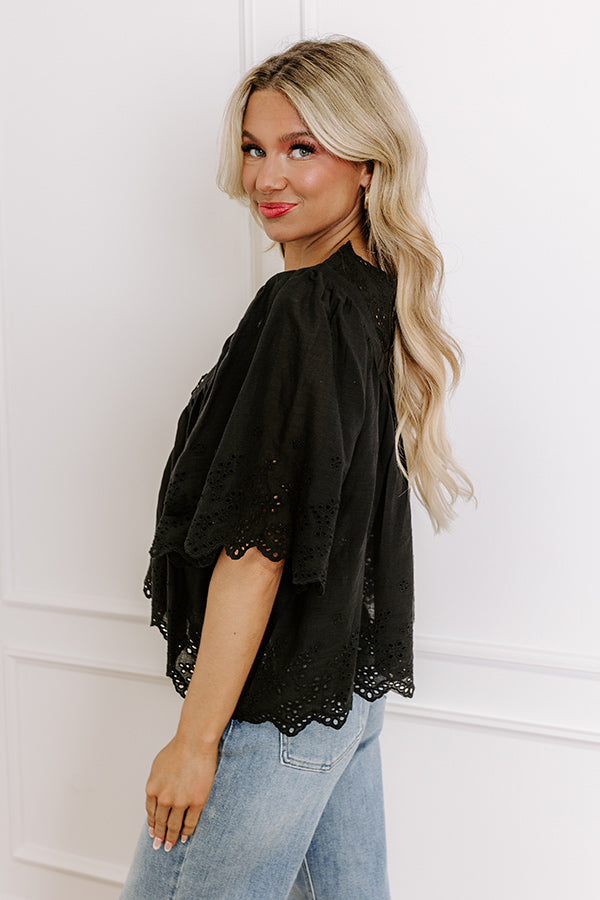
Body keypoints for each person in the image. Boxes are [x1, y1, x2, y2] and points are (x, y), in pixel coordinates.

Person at [120, 37, 473, 900]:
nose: (266, 177)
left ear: (367, 164)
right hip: (341, 702)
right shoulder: (371, 297)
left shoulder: (303, 310)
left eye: (301, 148)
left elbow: (258, 548)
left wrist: (195, 741)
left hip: (276, 711)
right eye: (254, 148)